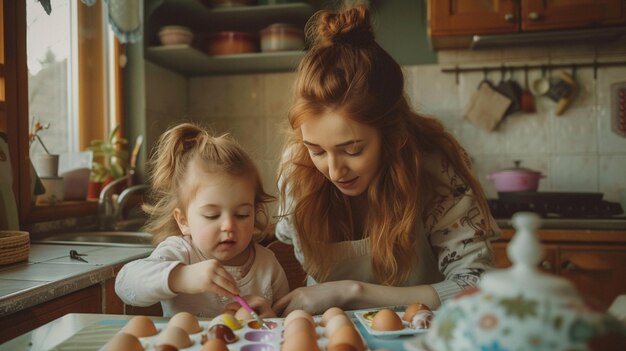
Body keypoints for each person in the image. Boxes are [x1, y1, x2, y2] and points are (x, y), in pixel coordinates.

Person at [272, 3, 502, 316]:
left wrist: (351, 292)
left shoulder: (435, 172)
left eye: (352, 149)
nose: (334, 170)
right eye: (317, 151)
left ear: (392, 136)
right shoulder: (296, 170)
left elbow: (478, 287)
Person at [115, 123, 289, 318]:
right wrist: (181, 276)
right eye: (212, 216)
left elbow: (289, 324)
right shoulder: (182, 253)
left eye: (242, 214)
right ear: (183, 221)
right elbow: (124, 284)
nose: (229, 226)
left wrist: (269, 314)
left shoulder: (267, 264)